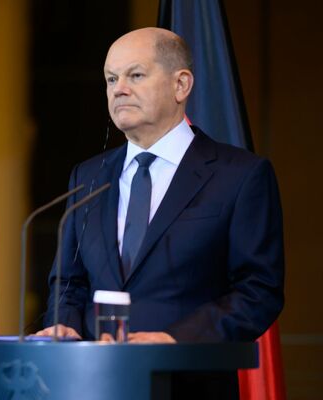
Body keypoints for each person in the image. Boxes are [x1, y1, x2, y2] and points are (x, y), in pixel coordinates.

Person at [37, 27, 284, 397]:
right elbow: (68, 283)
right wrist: (65, 326)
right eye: (110, 78)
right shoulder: (88, 176)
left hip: (189, 384)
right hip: (91, 383)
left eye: (135, 75)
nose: (119, 88)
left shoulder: (240, 176)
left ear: (181, 85)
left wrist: (174, 339)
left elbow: (258, 290)